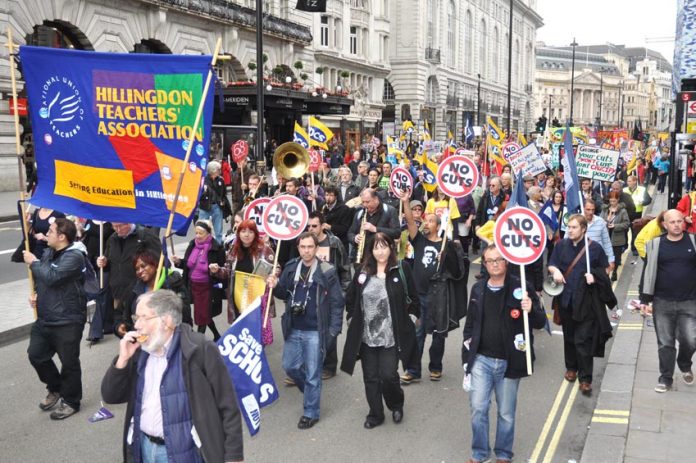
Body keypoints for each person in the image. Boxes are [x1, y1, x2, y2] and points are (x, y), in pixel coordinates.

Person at [101, 290, 244, 463]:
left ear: (166, 320)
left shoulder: (200, 349)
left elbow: (227, 405)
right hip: (143, 447)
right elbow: (111, 396)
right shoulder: (139, 352)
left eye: (143, 317)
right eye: (135, 318)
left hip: (186, 453)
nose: (137, 325)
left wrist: (234, 456)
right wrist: (122, 359)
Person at [462, 245, 546, 463]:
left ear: (507, 262)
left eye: (499, 259)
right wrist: (466, 358)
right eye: (490, 261)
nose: (495, 264)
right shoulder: (478, 289)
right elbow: (470, 325)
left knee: (506, 413)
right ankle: (480, 454)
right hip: (481, 359)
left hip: (511, 361)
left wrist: (531, 309)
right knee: (478, 408)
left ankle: (503, 454)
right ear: (485, 264)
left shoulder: (522, 287)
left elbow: (539, 322)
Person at [266, 233, 345, 429]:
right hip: (294, 327)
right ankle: (311, 390)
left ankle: (311, 412)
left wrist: (334, 329)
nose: (306, 251)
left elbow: (337, 302)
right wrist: (274, 286)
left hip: (315, 330)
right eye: (303, 247)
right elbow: (283, 292)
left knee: (312, 374)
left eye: (310, 247)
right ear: (298, 248)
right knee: (290, 367)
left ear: (316, 248)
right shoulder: (292, 267)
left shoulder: (327, 271)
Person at [340, 233, 419, 429]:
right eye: (376, 247)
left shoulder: (401, 269)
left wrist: (410, 319)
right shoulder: (362, 271)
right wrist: (351, 318)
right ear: (371, 250)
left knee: (388, 376)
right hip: (367, 337)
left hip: (391, 336)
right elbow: (350, 298)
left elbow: (415, 299)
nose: (380, 251)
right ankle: (375, 414)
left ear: (391, 248)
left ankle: (396, 403)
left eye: (384, 246)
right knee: (371, 377)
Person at [24, 218, 88, 420]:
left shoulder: (75, 256)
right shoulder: (49, 251)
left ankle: (71, 401)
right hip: (45, 318)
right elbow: (43, 278)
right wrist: (36, 294)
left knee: (69, 363)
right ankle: (56, 387)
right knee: (36, 355)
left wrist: (33, 262)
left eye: (51, 231)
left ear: (62, 237)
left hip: (67, 320)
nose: (47, 233)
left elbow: (53, 276)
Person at [399, 189, 464, 384]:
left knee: (438, 334)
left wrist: (445, 258)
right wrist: (405, 201)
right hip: (419, 296)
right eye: (426, 221)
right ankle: (413, 369)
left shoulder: (446, 246)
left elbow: (457, 271)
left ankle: (435, 367)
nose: (426, 223)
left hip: (438, 296)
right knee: (417, 333)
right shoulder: (418, 240)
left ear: (438, 226)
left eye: (430, 222)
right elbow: (410, 222)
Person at [548, 214, 615, 395]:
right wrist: (555, 272)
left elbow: (605, 270)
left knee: (582, 340)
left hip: (586, 302)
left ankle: (585, 378)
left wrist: (595, 276)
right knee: (569, 336)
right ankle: (571, 368)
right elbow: (552, 264)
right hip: (566, 299)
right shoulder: (561, 245)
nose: (570, 230)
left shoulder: (595, 249)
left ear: (584, 229)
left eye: (574, 227)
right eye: (568, 227)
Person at [639, 209, 696, 392]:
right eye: (672, 222)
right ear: (664, 224)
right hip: (662, 301)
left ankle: (684, 362)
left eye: (680, 221)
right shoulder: (655, 244)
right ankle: (665, 378)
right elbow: (647, 272)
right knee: (665, 342)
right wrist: (644, 300)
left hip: (689, 301)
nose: (677, 225)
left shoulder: (693, 241)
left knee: (691, 339)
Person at [97, 223, 160, 332]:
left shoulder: (145, 236)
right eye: (114, 227)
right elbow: (109, 263)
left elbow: (159, 261)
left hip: (139, 291)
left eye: (120, 226)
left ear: (128, 222)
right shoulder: (112, 239)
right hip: (118, 292)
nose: (117, 229)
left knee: (144, 326)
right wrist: (104, 263)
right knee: (123, 327)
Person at [115, 248, 192, 337]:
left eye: (143, 266)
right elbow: (119, 312)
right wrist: (119, 326)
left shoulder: (173, 285)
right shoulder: (133, 289)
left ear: (155, 265)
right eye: (137, 269)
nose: (140, 271)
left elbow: (185, 316)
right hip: (144, 341)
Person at [211, 219, 275, 324]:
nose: (247, 235)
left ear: (255, 234)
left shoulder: (264, 249)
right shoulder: (233, 249)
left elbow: (275, 268)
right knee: (240, 329)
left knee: (255, 330)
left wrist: (272, 276)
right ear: (238, 233)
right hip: (238, 297)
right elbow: (227, 271)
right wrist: (216, 270)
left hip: (257, 297)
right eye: (243, 231)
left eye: (250, 232)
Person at [172, 221, 226, 341]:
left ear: (208, 234)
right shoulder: (193, 244)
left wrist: (215, 270)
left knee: (202, 316)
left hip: (207, 287)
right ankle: (217, 336)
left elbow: (223, 271)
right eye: (196, 232)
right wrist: (179, 262)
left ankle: (197, 342)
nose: (197, 235)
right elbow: (187, 265)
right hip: (192, 286)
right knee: (204, 314)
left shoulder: (217, 248)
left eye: (200, 233)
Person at [347, 188, 401, 263]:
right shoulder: (359, 213)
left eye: (367, 202)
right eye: (363, 202)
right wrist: (354, 238)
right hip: (362, 258)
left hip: (383, 258)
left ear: (376, 199)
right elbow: (350, 233)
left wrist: (375, 229)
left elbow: (397, 233)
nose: (365, 205)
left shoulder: (390, 211)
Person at [601, 191, 630, 281]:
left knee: (616, 257)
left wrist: (615, 226)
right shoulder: (605, 210)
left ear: (618, 200)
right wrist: (605, 222)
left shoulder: (622, 211)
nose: (612, 203)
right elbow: (600, 220)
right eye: (611, 201)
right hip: (606, 236)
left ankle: (614, 271)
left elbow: (626, 223)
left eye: (614, 201)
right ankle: (607, 271)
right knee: (606, 256)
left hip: (617, 237)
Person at [198, 161, 229, 243]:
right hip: (205, 206)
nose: (220, 171)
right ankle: (203, 245)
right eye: (218, 169)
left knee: (218, 229)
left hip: (217, 206)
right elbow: (198, 193)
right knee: (202, 228)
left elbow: (224, 193)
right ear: (213, 171)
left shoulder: (220, 180)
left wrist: (222, 201)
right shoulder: (203, 180)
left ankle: (218, 247)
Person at [582, 199, 615, 272]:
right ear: (583, 208)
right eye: (588, 209)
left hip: (598, 260)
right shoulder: (576, 222)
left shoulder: (600, 221)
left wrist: (611, 259)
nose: (591, 212)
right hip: (581, 261)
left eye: (593, 210)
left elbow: (606, 242)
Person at [624, 175, 651, 255]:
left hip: (636, 214)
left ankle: (634, 248)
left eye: (629, 181)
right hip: (626, 214)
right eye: (627, 181)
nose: (628, 183)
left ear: (635, 181)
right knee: (624, 231)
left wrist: (642, 202)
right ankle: (624, 246)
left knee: (635, 232)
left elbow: (648, 200)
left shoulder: (642, 189)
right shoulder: (624, 190)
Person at [322, 185, 354, 250]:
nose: (328, 198)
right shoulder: (323, 207)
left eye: (331, 195)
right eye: (327, 195)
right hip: (326, 241)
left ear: (336, 197)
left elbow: (345, 228)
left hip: (340, 243)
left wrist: (330, 227)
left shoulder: (344, 209)